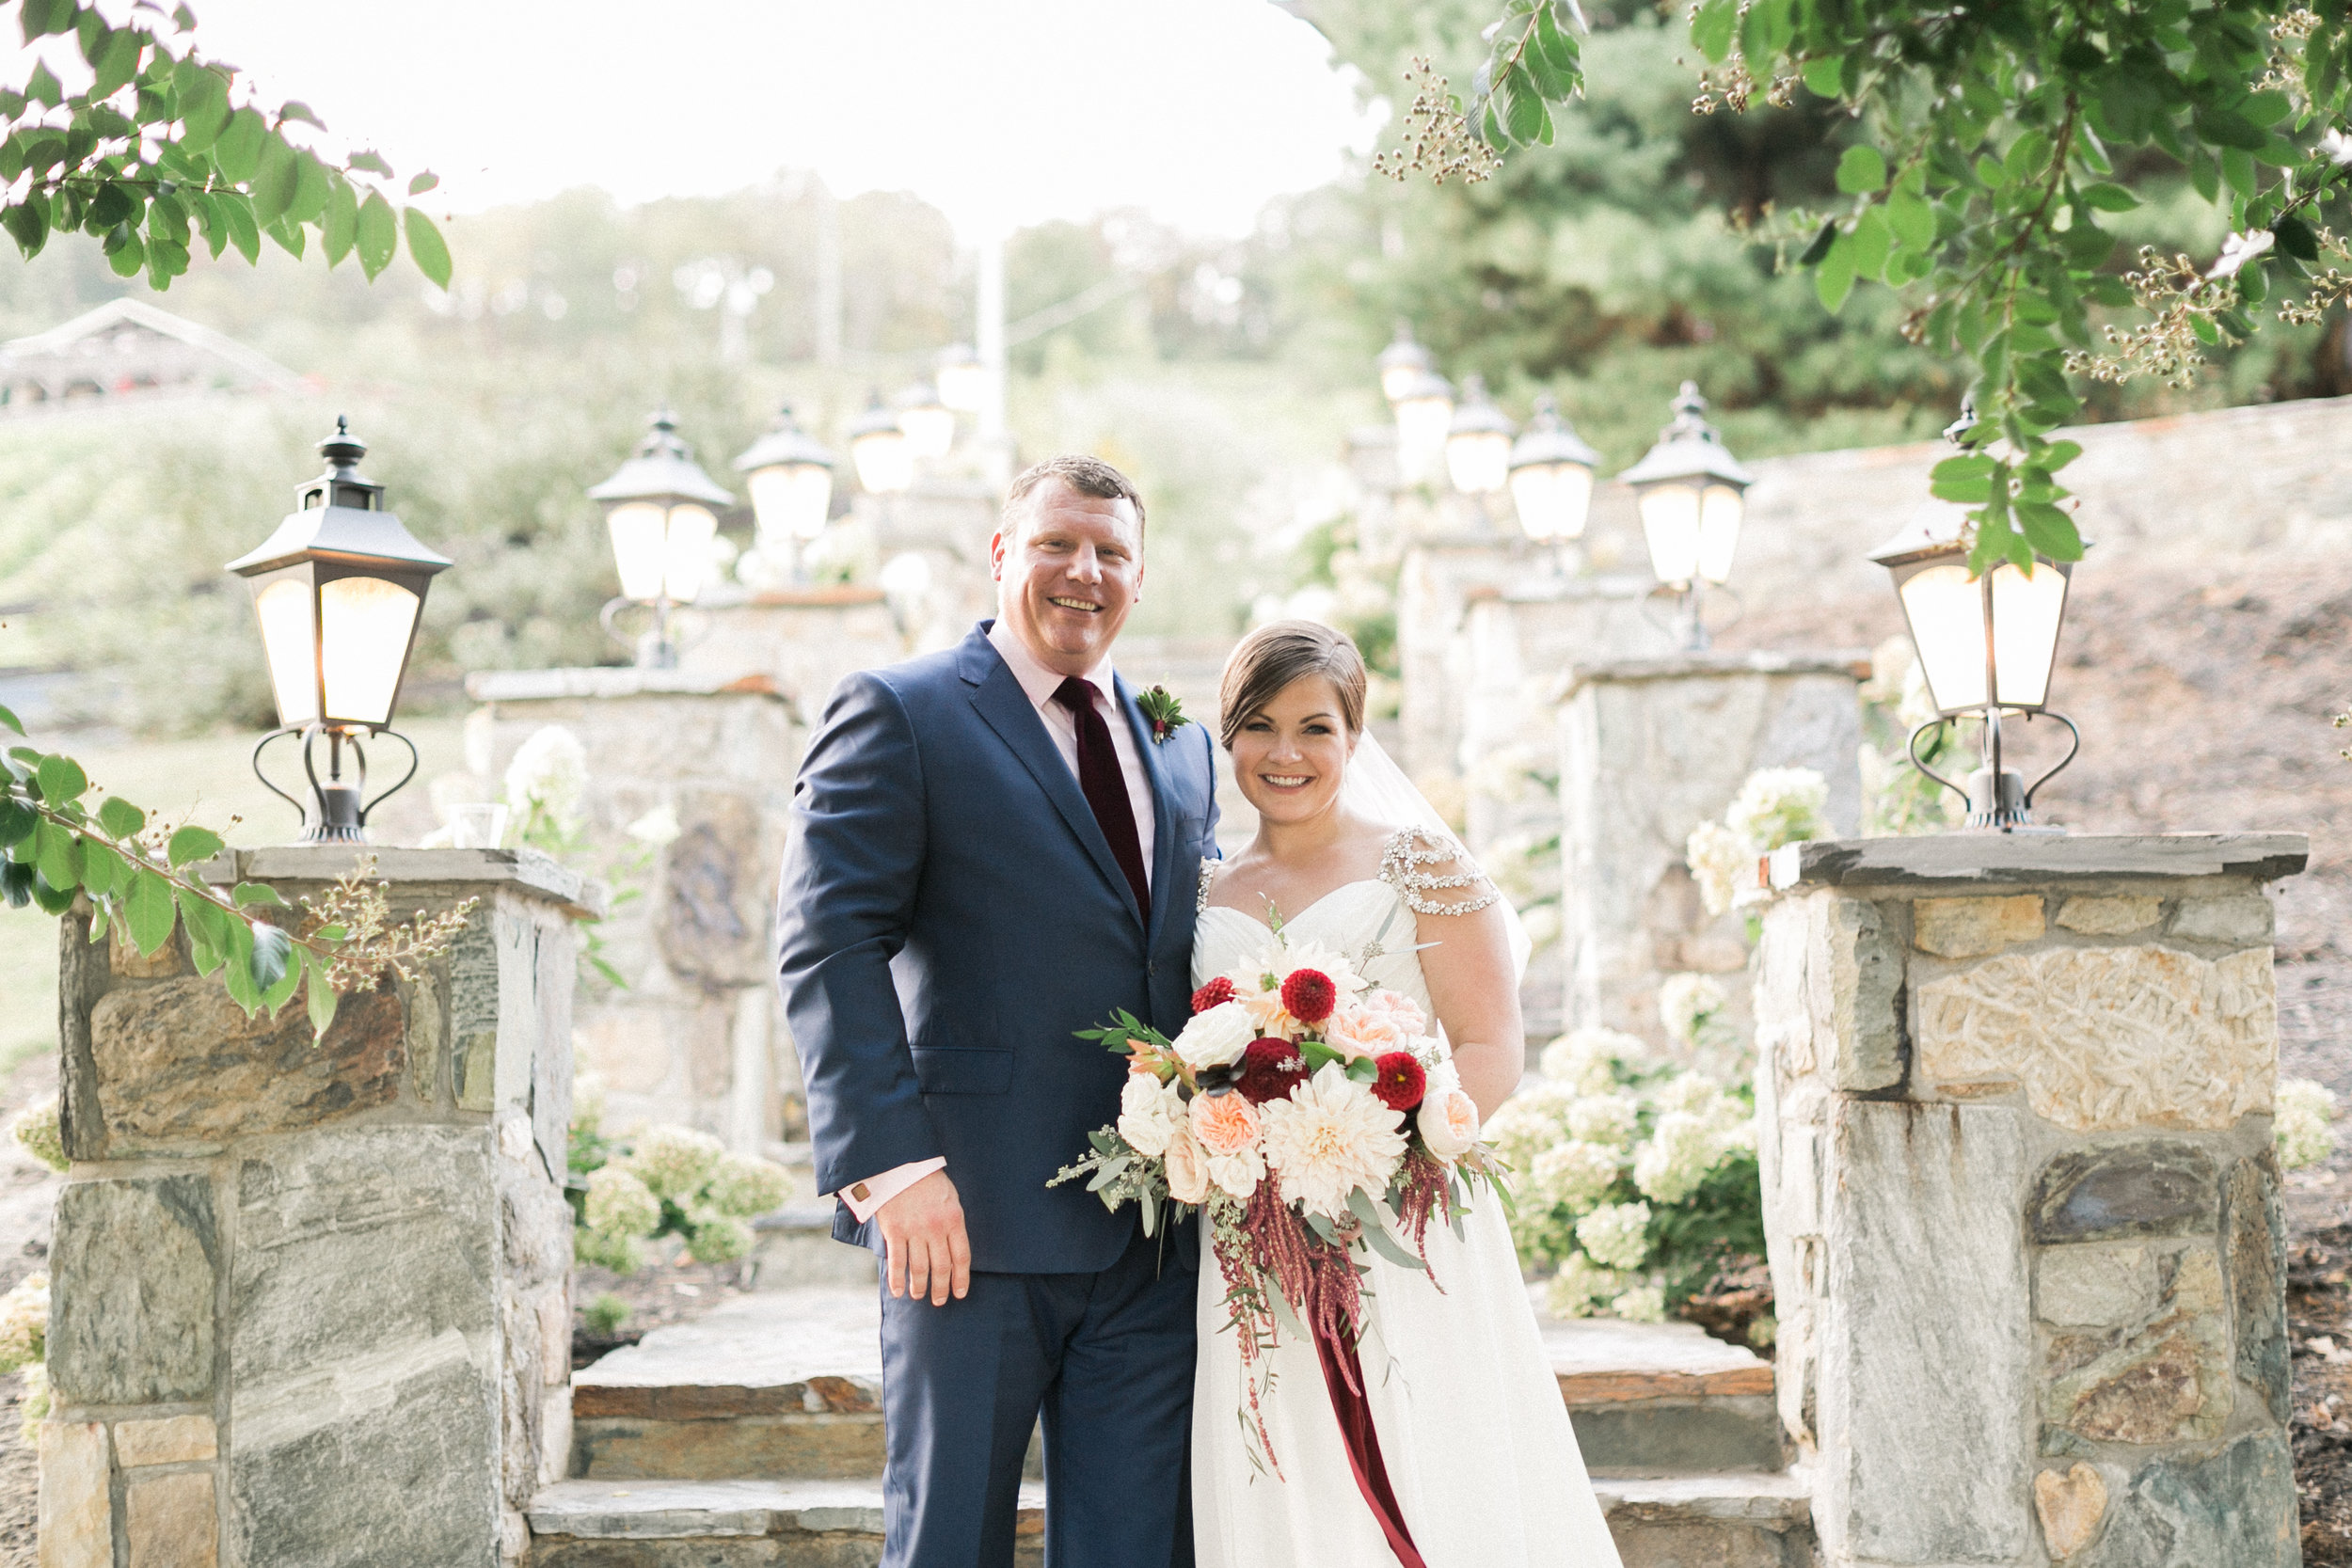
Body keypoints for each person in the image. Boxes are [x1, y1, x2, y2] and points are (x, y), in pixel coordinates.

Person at [775, 455, 1220, 1568]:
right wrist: (894, 1170)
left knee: (1138, 1549)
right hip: (965, 1225)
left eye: (1112, 552)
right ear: (1000, 555)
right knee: (947, 1543)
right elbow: (826, 941)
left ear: (1138, 575)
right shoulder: (903, 711)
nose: (1085, 571)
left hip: (1157, 1235)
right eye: (1058, 544)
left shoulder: (1181, 743)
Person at [1189, 620, 1622, 1568]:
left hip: (1404, 1218)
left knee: (1433, 1454)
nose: (1285, 752)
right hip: (1250, 1237)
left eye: (1315, 726)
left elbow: (1488, 1042)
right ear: (1228, 738)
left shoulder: (1419, 861)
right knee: (1289, 1466)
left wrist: (1381, 1148)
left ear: (1353, 735)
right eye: (1259, 726)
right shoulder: (1202, 888)